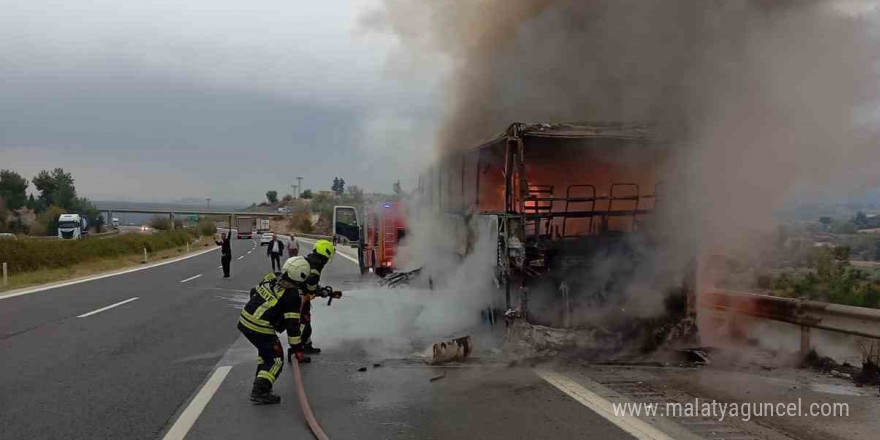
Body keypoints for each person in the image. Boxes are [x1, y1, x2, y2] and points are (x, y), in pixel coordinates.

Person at [237, 257, 313, 405]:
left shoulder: (272, 276)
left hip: (245, 320)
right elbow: (292, 326)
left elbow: (254, 291)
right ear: (301, 277)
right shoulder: (292, 295)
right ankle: (260, 391)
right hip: (260, 327)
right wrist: (297, 349)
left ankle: (260, 380)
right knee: (276, 358)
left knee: (265, 353)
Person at [297, 239, 336, 355]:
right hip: (301, 300)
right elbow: (311, 288)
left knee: (304, 322)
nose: (327, 261)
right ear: (324, 256)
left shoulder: (309, 260)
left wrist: (320, 290)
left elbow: (309, 284)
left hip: (299, 297)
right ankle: (300, 347)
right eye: (327, 258)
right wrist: (322, 292)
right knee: (304, 323)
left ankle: (305, 345)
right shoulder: (315, 269)